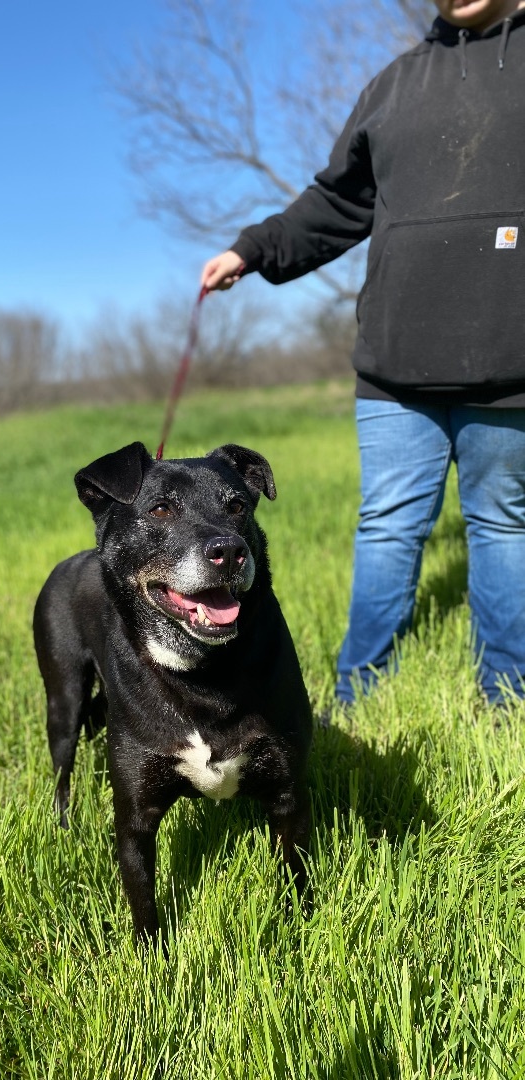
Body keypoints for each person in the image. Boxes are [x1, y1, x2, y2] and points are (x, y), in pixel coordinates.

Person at [202, 0, 525, 707]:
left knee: (501, 524)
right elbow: (338, 201)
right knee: (387, 524)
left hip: (510, 356)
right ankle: (358, 691)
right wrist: (252, 249)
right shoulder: (394, 84)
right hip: (395, 363)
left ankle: (506, 695)